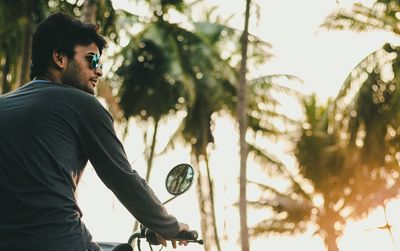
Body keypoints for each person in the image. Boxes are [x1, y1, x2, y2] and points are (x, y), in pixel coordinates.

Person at [0, 12, 188, 251]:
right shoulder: (81, 104)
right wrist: (169, 226)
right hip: (61, 242)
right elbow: (122, 178)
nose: (99, 71)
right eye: (92, 61)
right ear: (59, 58)